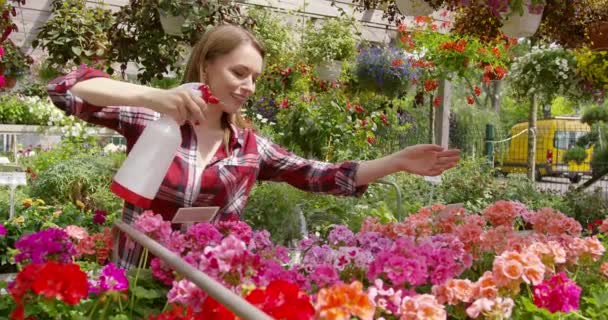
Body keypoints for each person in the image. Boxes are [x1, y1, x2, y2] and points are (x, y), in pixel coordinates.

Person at [47, 24, 461, 269]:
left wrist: (397, 161)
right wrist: (151, 96)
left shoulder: (249, 147)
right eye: (239, 72)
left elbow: (320, 176)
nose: (248, 87)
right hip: (137, 283)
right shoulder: (152, 121)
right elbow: (66, 90)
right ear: (206, 64)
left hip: (207, 286)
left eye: (255, 77)